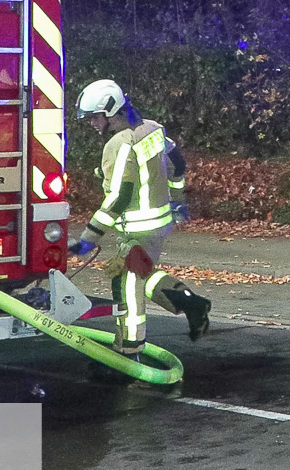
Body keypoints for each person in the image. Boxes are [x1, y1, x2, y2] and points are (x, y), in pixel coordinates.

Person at [70, 79, 213, 372]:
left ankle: (128, 354)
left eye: (95, 117)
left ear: (111, 112)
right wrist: (177, 200)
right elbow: (177, 164)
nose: (92, 124)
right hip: (159, 222)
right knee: (143, 275)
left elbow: (119, 197)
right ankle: (191, 303)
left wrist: (89, 237)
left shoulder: (118, 144)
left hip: (138, 227)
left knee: (126, 286)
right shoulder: (152, 129)